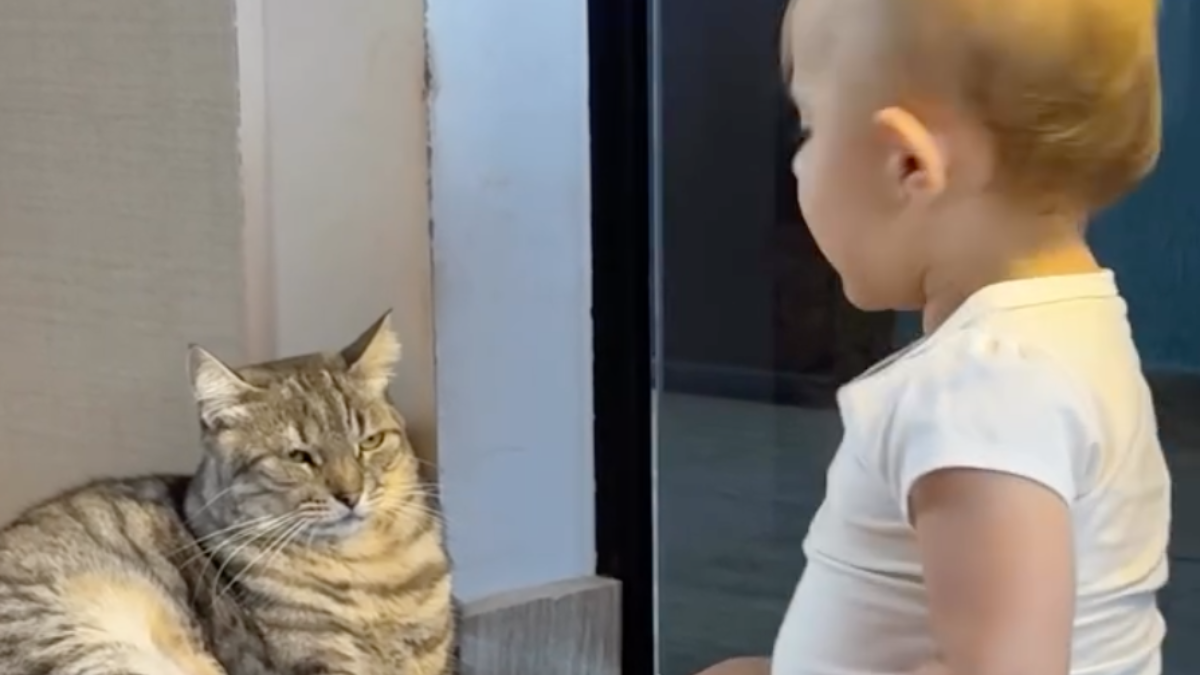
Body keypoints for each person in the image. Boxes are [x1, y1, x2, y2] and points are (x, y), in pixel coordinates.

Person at [697, 0, 1168, 674]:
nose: (797, 165)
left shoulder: (980, 386)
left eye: (809, 128)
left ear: (907, 164)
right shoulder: (1074, 330)